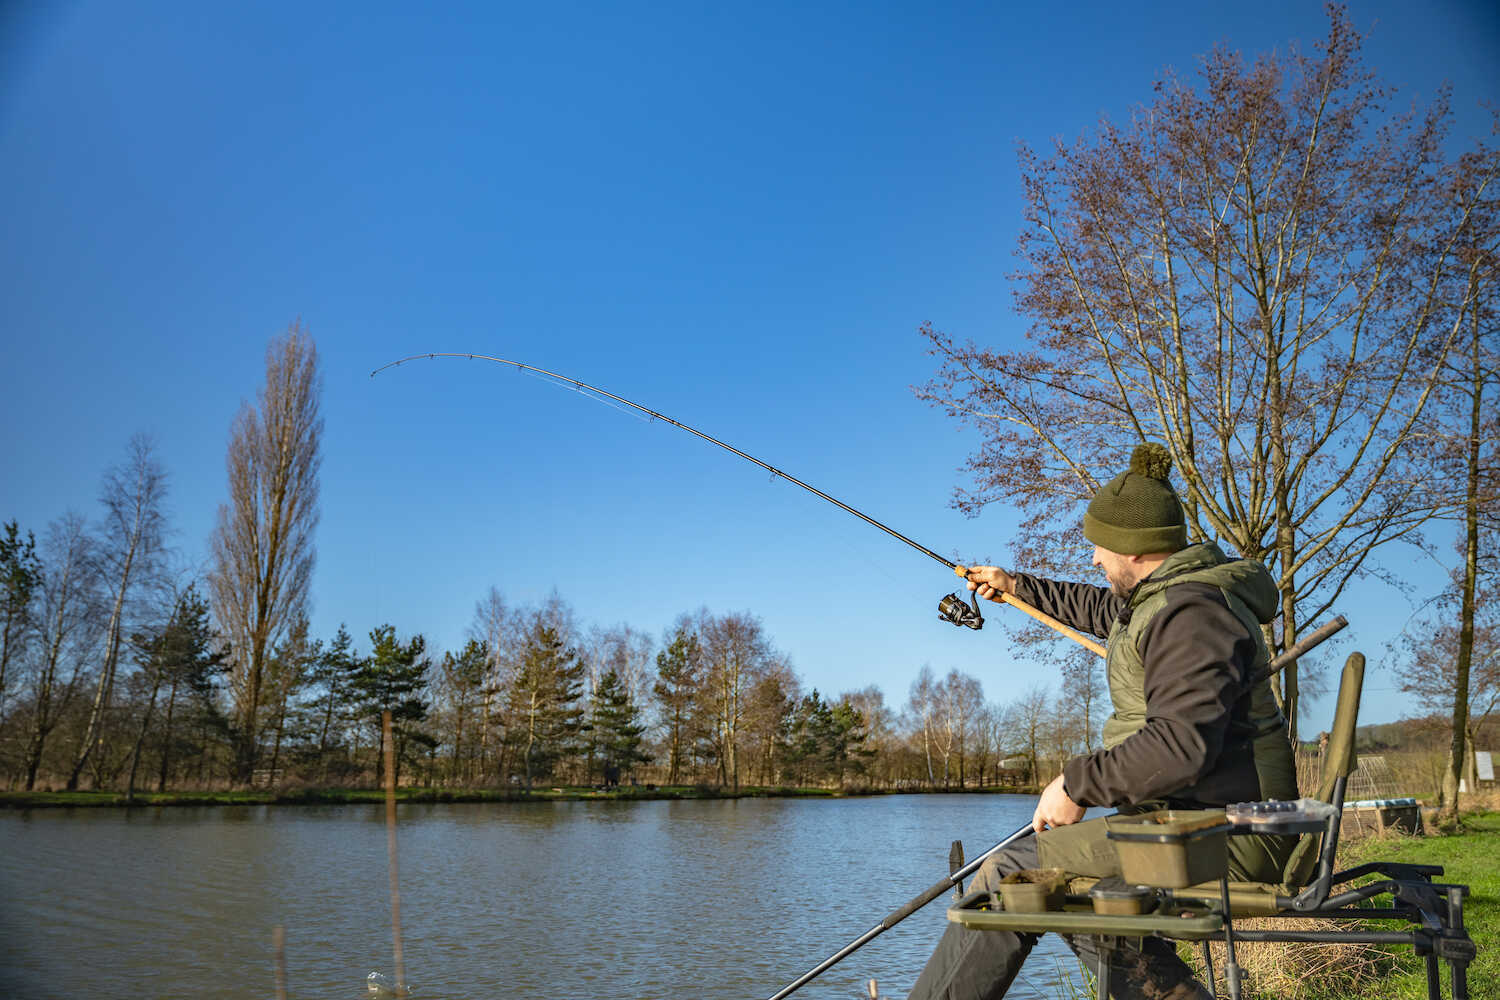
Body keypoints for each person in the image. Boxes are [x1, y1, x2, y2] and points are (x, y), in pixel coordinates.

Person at [908, 443, 1298, 1000]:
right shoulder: (1169, 600)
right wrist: (1018, 586)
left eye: (1100, 547)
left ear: (1135, 551)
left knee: (1010, 877)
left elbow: (1180, 746)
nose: (1094, 558)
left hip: (1231, 832)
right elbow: (1103, 613)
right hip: (1201, 821)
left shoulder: (1191, 617)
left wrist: (1076, 783)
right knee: (1089, 897)